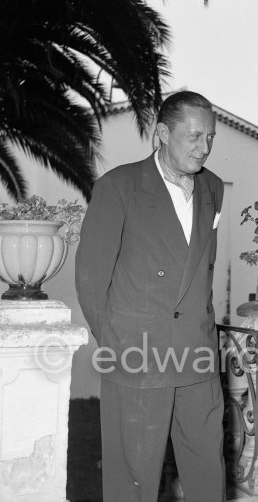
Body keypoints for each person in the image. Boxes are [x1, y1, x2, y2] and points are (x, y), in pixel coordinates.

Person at [75, 90, 225, 502]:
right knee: (133, 481)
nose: (204, 147)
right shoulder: (119, 186)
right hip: (138, 357)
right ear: (162, 133)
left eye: (210, 137)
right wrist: (120, 344)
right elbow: (91, 279)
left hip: (198, 357)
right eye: (194, 137)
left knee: (208, 473)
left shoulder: (213, 186)